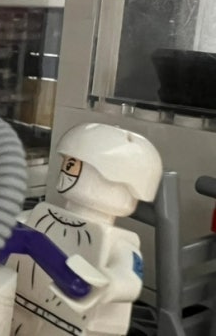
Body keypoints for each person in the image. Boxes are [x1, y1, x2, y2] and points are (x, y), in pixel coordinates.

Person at [9, 123, 163, 336]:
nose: (66, 171)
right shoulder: (43, 215)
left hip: (71, 327)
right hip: (19, 309)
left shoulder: (119, 243)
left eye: (73, 165)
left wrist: (109, 285)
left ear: (115, 177)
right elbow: (17, 226)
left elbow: (130, 278)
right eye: (68, 163)